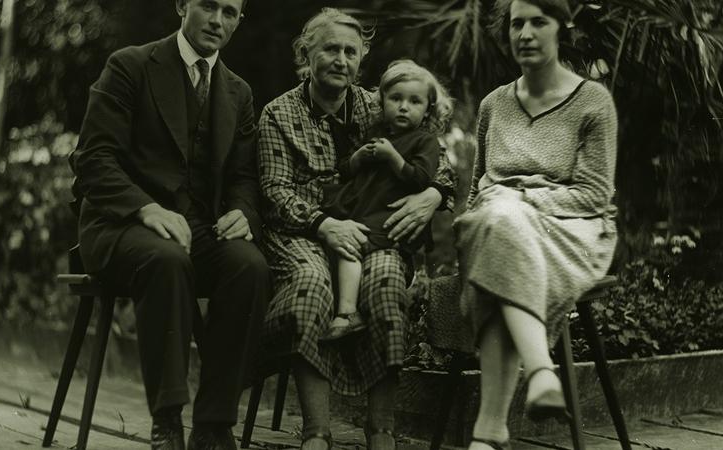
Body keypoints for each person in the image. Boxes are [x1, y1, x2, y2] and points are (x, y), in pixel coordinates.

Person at [68, 0, 269, 449]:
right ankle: (168, 422)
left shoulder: (238, 92)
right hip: (119, 224)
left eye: (230, 13)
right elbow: (93, 159)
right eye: (208, 6)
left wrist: (244, 212)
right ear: (182, 5)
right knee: (166, 259)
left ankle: (214, 425)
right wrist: (145, 208)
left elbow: (243, 178)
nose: (217, 21)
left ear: (239, 20)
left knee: (249, 267)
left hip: (195, 228)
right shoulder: (130, 66)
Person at [257, 9, 455, 450]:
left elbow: (438, 162)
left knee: (385, 282)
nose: (341, 59)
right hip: (303, 232)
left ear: (361, 57)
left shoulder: (380, 103)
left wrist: (433, 196)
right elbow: (273, 191)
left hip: (373, 229)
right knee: (312, 283)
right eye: (330, 49)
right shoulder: (278, 114)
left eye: (351, 51)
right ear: (307, 53)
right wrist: (323, 224)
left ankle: (381, 430)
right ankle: (316, 433)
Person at [452, 0, 619, 449]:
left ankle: (489, 432)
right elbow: (474, 195)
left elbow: (593, 196)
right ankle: (539, 372)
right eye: (516, 23)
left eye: (537, 22)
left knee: (502, 221)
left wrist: (519, 198)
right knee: (496, 225)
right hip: (499, 228)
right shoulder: (493, 105)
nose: (525, 33)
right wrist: (489, 214)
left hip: (574, 228)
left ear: (561, 28)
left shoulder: (593, 101)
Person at [318, 59, 454, 342]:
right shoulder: (375, 131)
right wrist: (357, 158)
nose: (403, 107)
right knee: (348, 246)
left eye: (414, 101)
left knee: (354, 249)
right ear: (382, 101)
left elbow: (420, 178)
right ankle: (346, 312)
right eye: (396, 99)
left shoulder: (425, 141)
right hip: (363, 210)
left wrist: (393, 158)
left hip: (390, 216)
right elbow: (345, 170)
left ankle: (350, 314)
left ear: (428, 107)